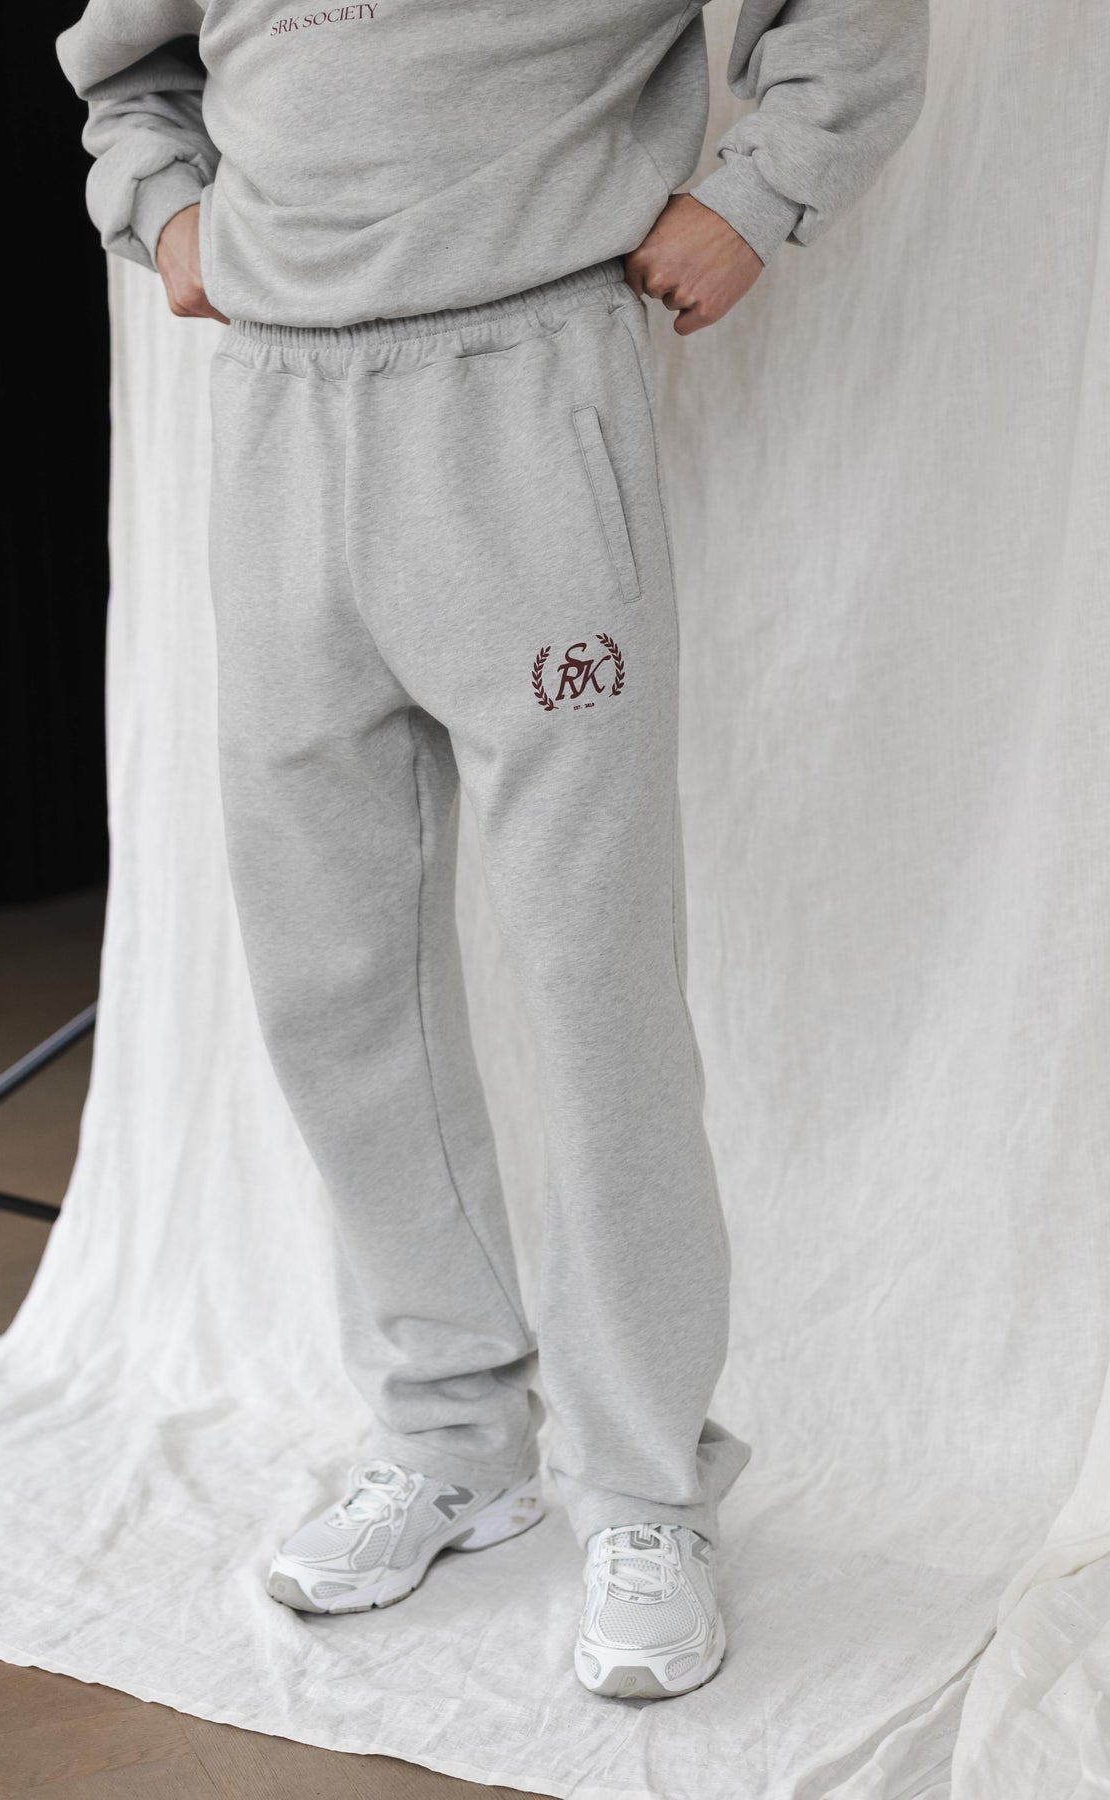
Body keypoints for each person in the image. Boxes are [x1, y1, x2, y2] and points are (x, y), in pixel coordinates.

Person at [57, 0, 927, 1703]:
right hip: (277, 405)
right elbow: (128, 65)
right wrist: (164, 204)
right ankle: (452, 1438)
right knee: (330, 976)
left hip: (528, 387)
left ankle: (645, 1488)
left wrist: (758, 192)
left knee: (591, 975)